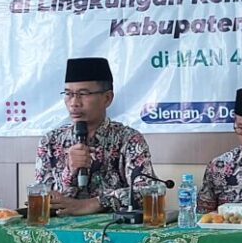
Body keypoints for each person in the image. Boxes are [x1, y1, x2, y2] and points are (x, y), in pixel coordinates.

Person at [35, 57, 156, 216]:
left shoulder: (129, 139)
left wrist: (94, 204)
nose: (74, 103)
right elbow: (42, 197)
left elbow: (148, 192)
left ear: (107, 98)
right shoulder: (50, 141)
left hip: (113, 228)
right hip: (61, 228)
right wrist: (69, 171)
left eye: (83, 94)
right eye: (69, 94)